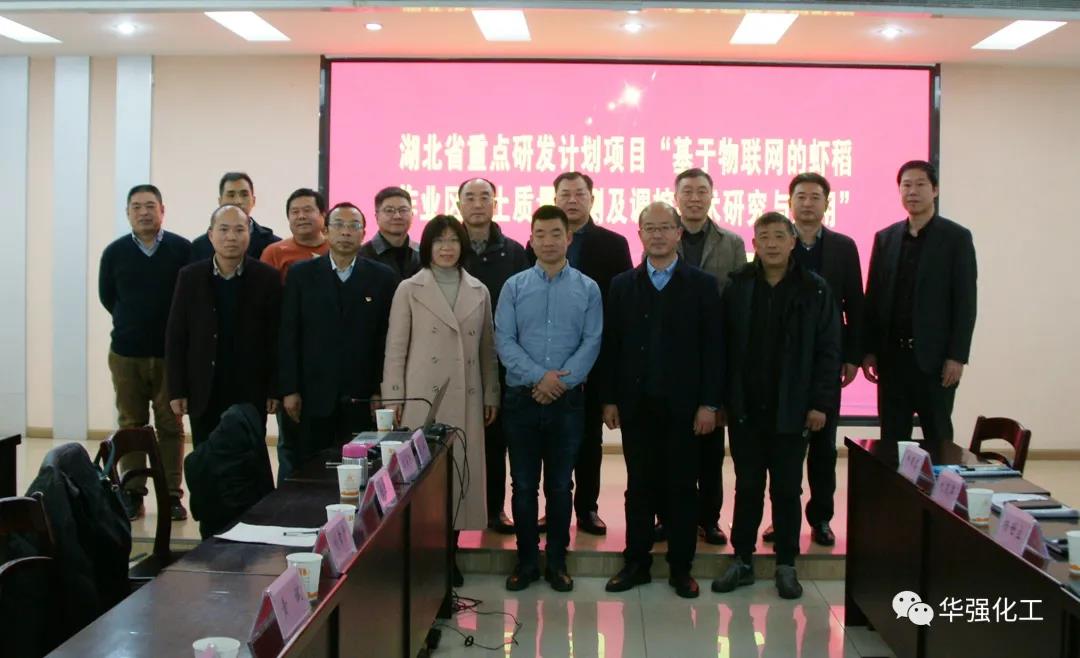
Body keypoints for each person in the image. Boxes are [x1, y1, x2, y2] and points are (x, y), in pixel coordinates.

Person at [712, 212, 840, 600]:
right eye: (763, 237)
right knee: (748, 487)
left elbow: (828, 351)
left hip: (793, 407)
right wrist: (721, 402)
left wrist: (820, 404)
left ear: (791, 243)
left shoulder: (815, 289)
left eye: (778, 237)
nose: (770, 243)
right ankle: (742, 560)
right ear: (753, 244)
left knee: (787, 489)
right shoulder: (738, 287)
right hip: (747, 408)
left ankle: (787, 563)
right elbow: (722, 350)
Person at [600, 202, 722, 599]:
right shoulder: (622, 285)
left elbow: (714, 349)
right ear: (639, 234)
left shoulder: (702, 285)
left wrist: (709, 404)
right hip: (637, 405)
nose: (657, 234)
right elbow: (612, 347)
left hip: (686, 408)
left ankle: (681, 567)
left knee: (683, 487)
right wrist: (610, 399)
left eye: (665, 227)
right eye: (649, 228)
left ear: (678, 234)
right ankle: (636, 561)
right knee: (639, 487)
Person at [382, 214, 500, 585]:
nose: (447, 247)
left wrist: (491, 392)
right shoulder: (409, 289)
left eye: (453, 240)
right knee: (423, 481)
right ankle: (424, 557)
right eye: (439, 241)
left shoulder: (479, 290)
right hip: (422, 398)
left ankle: (451, 554)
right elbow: (396, 348)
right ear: (427, 247)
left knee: (460, 477)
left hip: (465, 395)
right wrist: (393, 397)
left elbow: (488, 351)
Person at [496, 205, 602, 593]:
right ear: (531, 238)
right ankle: (526, 562)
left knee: (560, 486)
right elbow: (503, 340)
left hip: (568, 402)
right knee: (523, 485)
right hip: (521, 400)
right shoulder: (514, 286)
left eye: (556, 233)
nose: (548, 241)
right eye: (540, 234)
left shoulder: (588, 288)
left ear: (568, 237)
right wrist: (539, 377)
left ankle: (557, 561)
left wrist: (558, 383)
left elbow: (591, 342)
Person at [761, 172, 864, 547]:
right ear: (790, 203)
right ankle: (780, 520)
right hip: (779, 364)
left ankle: (821, 518)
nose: (807, 203)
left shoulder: (843, 246)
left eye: (815, 197)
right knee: (782, 450)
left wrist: (852, 355)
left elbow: (855, 303)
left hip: (824, 360)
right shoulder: (777, 243)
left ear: (826, 203)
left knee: (823, 447)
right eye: (801, 197)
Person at [528, 171, 632, 537]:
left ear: (592, 198)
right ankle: (551, 509)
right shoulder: (537, 243)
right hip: (546, 362)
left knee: (589, 441)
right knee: (546, 444)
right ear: (555, 198)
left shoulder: (614, 243)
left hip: (594, 359)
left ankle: (587, 508)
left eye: (579, 193)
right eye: (564, 194)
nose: (572, 200)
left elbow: (621, 306)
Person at [277, 202, 398, 481]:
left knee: (362, 470)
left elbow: (385, 338)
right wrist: (290, 388)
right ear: (327, 230)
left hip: (362, 394)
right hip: (313, 393)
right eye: (339, 226)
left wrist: (381, 388)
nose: (346, 232)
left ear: (364, 233)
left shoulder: (382, 277)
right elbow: (289, 334)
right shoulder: (301, 275)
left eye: (353, 226)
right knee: (310, 468)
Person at [863, 160, 977, 444]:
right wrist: (869, 351)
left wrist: (957, 356)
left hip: (935, 361)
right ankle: (894, 491)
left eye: (920, 184)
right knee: (892, 439)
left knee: (938, 437)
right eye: (906, 185)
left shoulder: (956, 239)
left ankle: (939, 490)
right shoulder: (885, 238)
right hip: (892, 361)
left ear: (935, 189)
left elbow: (965, 302)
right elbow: (873, 299)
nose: (912, 191)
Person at [98, 184, 190, 521]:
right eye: (136, 206)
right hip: (127, 354)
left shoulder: (181, 249)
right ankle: (132, 494)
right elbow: (108, 297)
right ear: (127, 213)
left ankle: (172, 496)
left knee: (171, 425)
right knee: (131, 425)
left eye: (150, 205)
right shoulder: (114, 252)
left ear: (162, 210)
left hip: (170, 355)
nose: (144, 212)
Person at [667, 167, 748, 546]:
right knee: (670, 450)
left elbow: (736, 300)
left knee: (712, 449)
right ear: (676, 197)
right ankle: (667, 518)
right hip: (674, 357)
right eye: (688, 191)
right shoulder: (664, 237)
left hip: (716, 353)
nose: (695, 198)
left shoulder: (731, 243)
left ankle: (709, 519)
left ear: (712, 196)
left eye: (702, 191)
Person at [165, 204, 282, 447]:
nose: (231, 237)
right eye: (224, 229)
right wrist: (177, 390)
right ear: (210, 235)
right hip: (203, 387)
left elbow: (275, 338)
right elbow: (177, 337)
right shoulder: (190, 277)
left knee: (249, 459)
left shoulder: (267, 278)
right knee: (206, 458)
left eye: (239, 229)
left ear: (249, 234)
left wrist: (274, 388)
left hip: (250, 389)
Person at [458, 177, 530, 535]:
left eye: (484, 197)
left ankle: (494, 510)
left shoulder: (515, 252)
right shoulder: (448, 247)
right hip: (454, 358)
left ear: (495, 203)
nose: (477, 203)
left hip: (500, 359)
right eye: (469, 197)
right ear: (458, 205)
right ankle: (451, 512)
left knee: (496, 438)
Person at [189, 172, 280, 262]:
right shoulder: (200, 245)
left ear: (253, 200)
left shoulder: (273, 244)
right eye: (231, 195)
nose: (238, 201)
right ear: (220, 201)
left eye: (244, 195)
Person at [259, 188, 333, 281]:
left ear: (323, 215)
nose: (301, 216)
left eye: (307, 210)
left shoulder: (338, 249)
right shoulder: (274, 252)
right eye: (295, 212)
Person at [360, 186, 421, 280]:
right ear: (377, 217)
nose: (397, 216)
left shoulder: (423, 253)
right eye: (389, 210)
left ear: (412, 214)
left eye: (403, 210)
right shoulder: (362, 256)